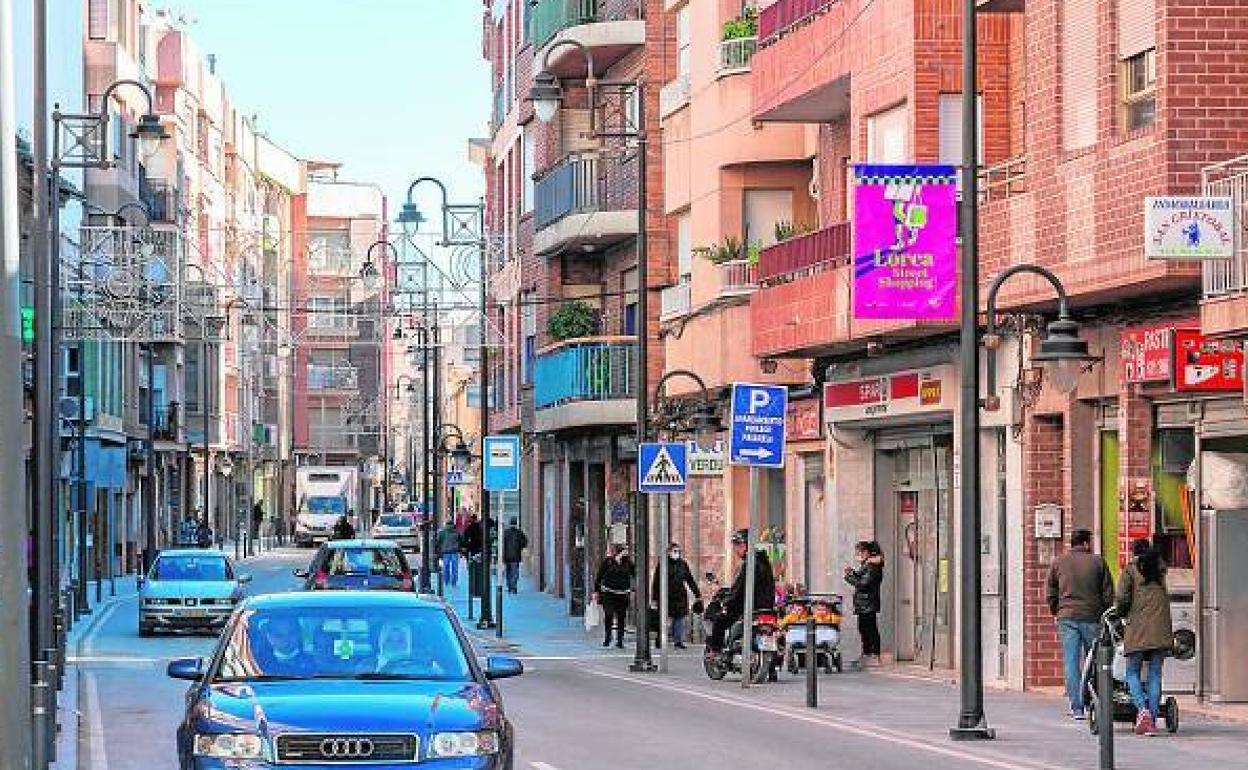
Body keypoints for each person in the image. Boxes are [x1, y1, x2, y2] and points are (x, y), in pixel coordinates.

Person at [1046, 528, 1113, 719]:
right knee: (1095, 661)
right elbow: (1108, 593)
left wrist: (1056, 611)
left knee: (1071, 661)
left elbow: (1050, 591)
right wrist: (1105, 613)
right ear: (1085, 543)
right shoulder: (1098, 562)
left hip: (1066, 617)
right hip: (1092, 616)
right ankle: (1096, 701)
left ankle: (1077, 708)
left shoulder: (1058, 562)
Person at [1117, 538, 1173, 737]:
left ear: (1134, 553)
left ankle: (1143, 711)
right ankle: (1153, 719)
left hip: (1139, 629)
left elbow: (1122, 599)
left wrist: (1120, 613)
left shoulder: (1130, 571)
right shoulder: (1160, 571)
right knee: (1155, 673)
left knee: (1132, 672)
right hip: (1161, 629)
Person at [708, 529, 775, 655]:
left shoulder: (749, 563)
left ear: (745, 545)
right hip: (767, 606)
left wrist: (727, 601)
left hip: (750, 606)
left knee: (719, 622)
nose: (736, 550)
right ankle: (771, 671)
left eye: (737, 546)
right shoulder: (764, 561)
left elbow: (740, 588)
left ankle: (715, 652)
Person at [650, 542, 701, 649]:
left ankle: (678, 641)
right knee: (663, 619)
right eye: (674, 551)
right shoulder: (663, 564)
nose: (677, 553)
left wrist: (697, 594)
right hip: (665, 595)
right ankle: (660, 639)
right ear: (669, 552)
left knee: (679, 618)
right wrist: (654, 598)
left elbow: (689, 580)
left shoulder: (683, 564)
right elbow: (656, 581)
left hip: (680, 595)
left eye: (678, 551)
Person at [843, 540, 884, 667]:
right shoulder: (867, 565)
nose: (858, 554)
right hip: (864, 603)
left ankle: (874, 654)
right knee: (864, 629)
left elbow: (864, 584)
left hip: (868, 603)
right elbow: (862, 579)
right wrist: (853, 573)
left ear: (867, 552)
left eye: (861, 551)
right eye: (857, 551)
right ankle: (867, 654)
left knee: (870, 629)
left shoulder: (872, 566)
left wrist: (849, 577)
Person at [593, 544, 634, 649]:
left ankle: (620, 640)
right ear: (619, 552)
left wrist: (632, 589)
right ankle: (608, 636)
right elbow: (599, 576)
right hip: (608, 593)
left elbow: (635, 574)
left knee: (621, 617)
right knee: (609, 614)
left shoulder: (628, 563)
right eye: (625, 551)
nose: (627, 553)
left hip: (623, 594)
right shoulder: (608, 562)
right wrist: (596, 591)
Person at [502, 518, 528, 593]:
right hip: (516, 556)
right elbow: (524, 542)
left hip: (507, 556)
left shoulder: (506, 532)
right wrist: (520, 547)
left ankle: (510, 585)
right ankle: (513, 586)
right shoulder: (519, 532)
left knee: (508, 572)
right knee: (515, 572)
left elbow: (502, 544)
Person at [437, 521, 462, 587]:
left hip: (445, 552)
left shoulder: (442, 532)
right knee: (455, 568)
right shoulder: (457, 532)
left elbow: (439, 542)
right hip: (454, 551)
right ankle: (454, 582)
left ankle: (446, 581)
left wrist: (439, 552)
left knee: (446, 567)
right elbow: (460, 541)